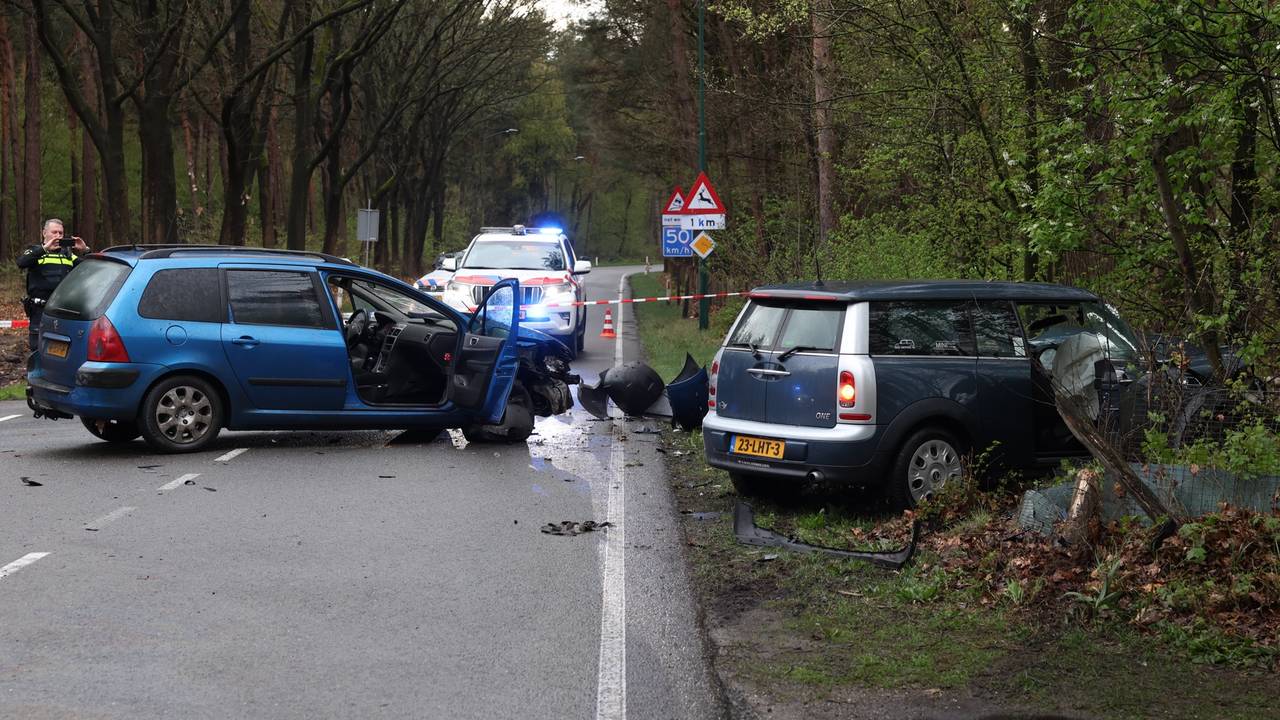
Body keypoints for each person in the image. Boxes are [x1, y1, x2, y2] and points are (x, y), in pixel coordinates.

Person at [16, 218, 89, 350]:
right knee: (37, 348)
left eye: (60, 233)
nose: (58, 236)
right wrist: (44, 249)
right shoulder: (36, 251)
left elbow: (90, 269)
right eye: (54, 232)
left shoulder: (68, 255)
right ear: (44, 233)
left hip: (62, 310)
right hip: (40, 310)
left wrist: (85, 250)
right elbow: (21, 262)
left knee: (61, 348)